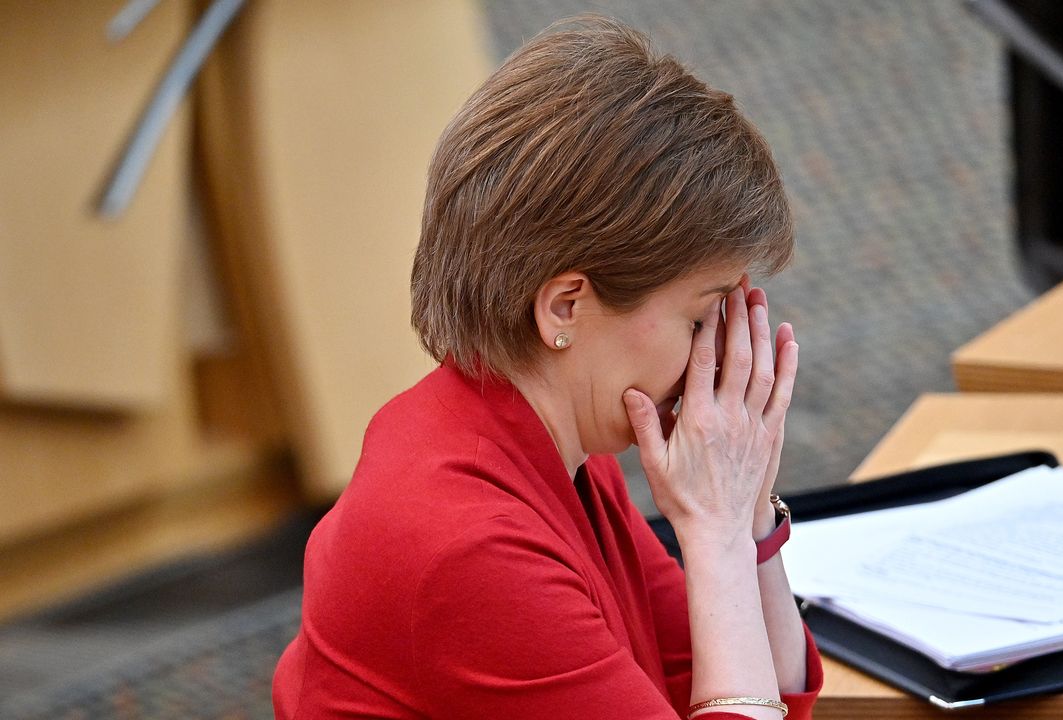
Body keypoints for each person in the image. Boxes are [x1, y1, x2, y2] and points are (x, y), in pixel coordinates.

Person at [273, 15, 823, 719]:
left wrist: (747, 515)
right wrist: (714, 532)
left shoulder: (561, 454)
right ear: (565, 307)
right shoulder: (465, 546)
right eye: (699, 320)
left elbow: (761, 696)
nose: (717, 359)